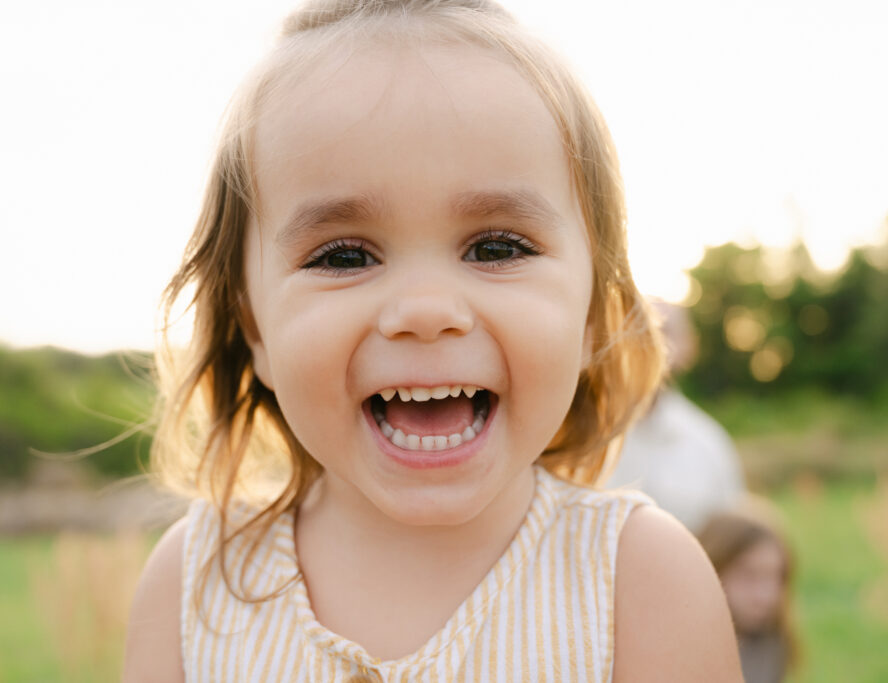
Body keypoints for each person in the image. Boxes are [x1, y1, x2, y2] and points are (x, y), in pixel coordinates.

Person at [123, 1, 743, 681]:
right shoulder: (193, 585)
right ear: (254, 327)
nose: (425, 311)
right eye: (344, 256)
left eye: (497, 245)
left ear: (593, 309)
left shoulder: (640, 584)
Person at [606, 303, 746, 533]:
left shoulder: (708, 442)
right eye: (635, 330)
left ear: (690, 346)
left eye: (665, 331)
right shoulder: (575, 437)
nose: (649, 341)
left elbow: (731, 541)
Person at [697, 502, 799, 683]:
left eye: (775, 576)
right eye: (748, 576)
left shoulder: (771, 642)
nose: (765, 596)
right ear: (712, 568)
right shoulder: (680, 646)